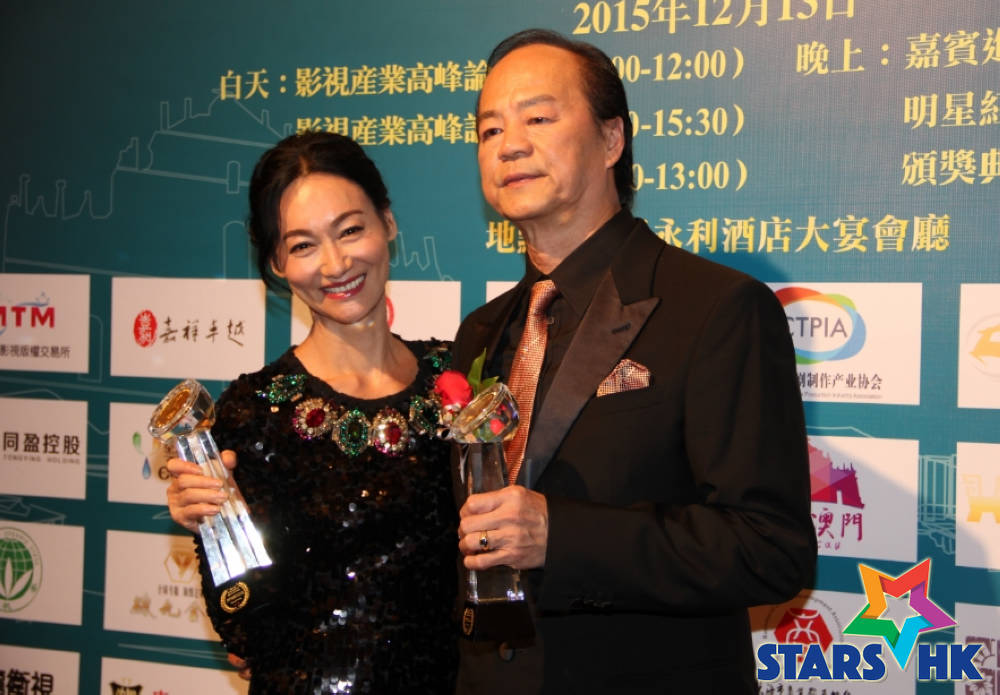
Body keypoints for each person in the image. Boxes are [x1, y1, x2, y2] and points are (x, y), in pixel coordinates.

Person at [451, 29, 817, 693]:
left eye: (538, 118)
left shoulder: (716, 307)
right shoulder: (480, 333)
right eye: (489, 129)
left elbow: (770, 548)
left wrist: (560, 535)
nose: (509, 145)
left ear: (612, 138)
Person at [165, 132, 458, 693]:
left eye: (350, 230)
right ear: (277, 262)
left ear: (388, 223)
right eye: (303, 246)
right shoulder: (254, 411)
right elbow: (244, 625)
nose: (336, 264)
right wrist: (208, 518)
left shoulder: (456, 381)